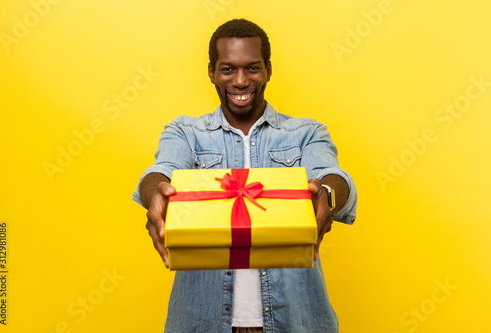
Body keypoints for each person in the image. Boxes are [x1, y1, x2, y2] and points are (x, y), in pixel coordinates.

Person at [132, 18, 357, 333]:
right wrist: (156, 192)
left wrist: (328, 195)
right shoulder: (185, 132)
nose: (240, 81)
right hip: (205, 321)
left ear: (268, 70)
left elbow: (333, 175)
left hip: (294, 322)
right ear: (211, 72)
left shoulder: (307, 132)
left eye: (252, 68)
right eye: (227, 69)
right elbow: (162, 170)